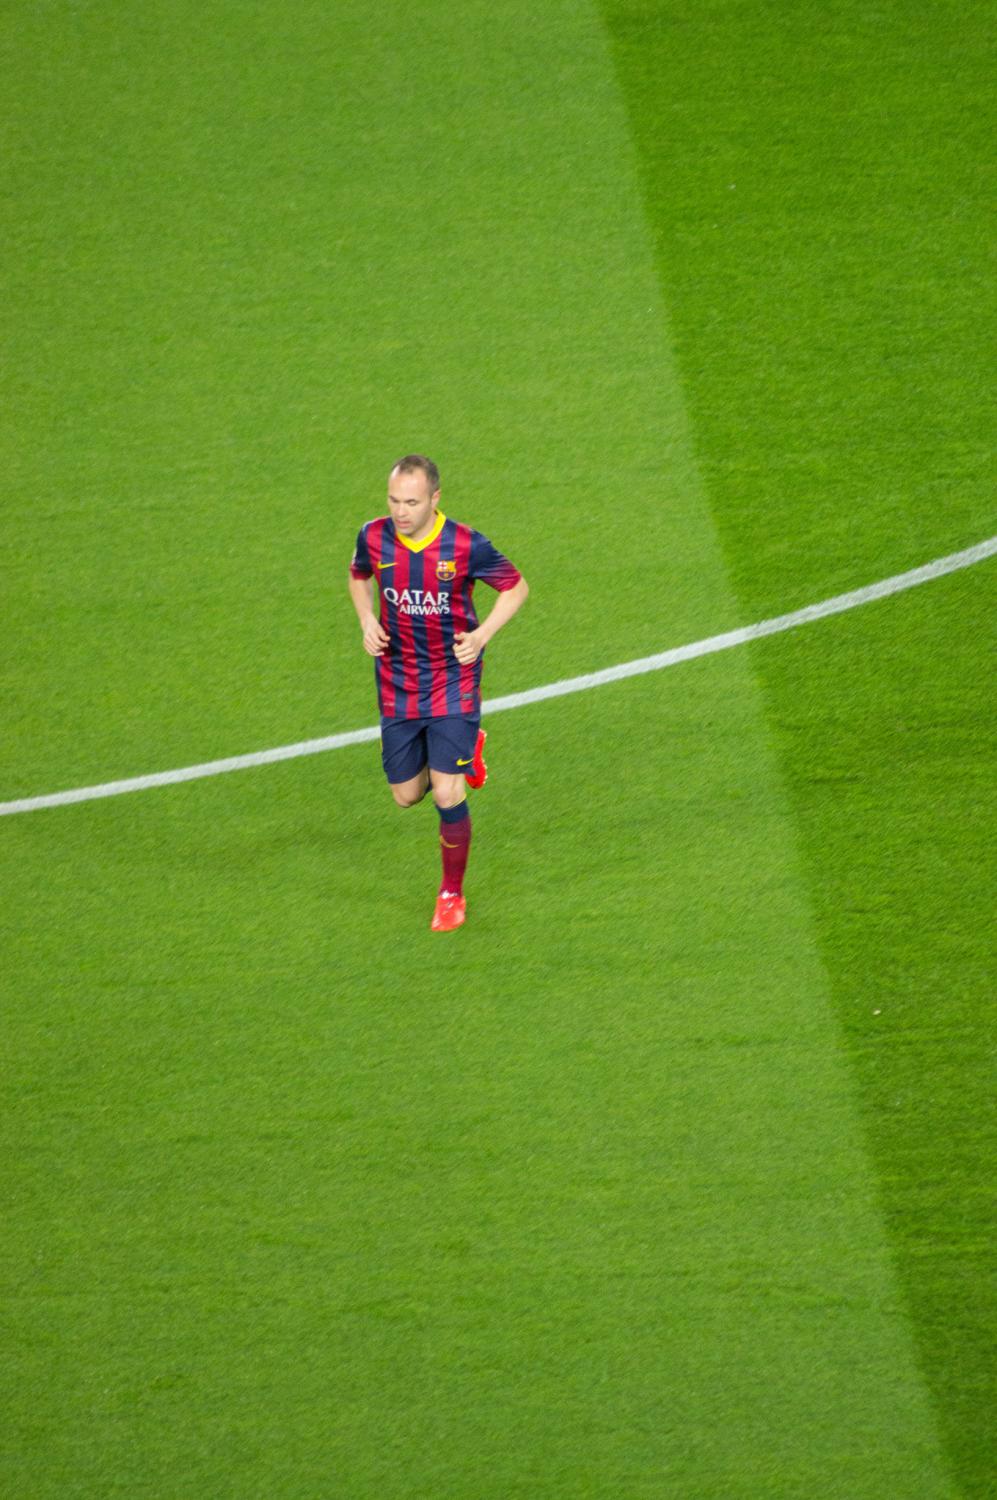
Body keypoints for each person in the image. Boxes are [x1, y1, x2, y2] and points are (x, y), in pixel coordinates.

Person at [348, 455, 529, 931]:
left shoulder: (466, 544)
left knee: (447, 793)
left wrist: (482, 633)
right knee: (406, 796)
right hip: (398, 680)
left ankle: (451, 894)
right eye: (393, 500)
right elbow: (359, 575)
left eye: (411, 502)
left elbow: (516, 587)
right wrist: (367, 619)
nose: (401, 511)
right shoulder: (372, 535)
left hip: (453, 678)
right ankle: (466, 751)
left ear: (434, 499)